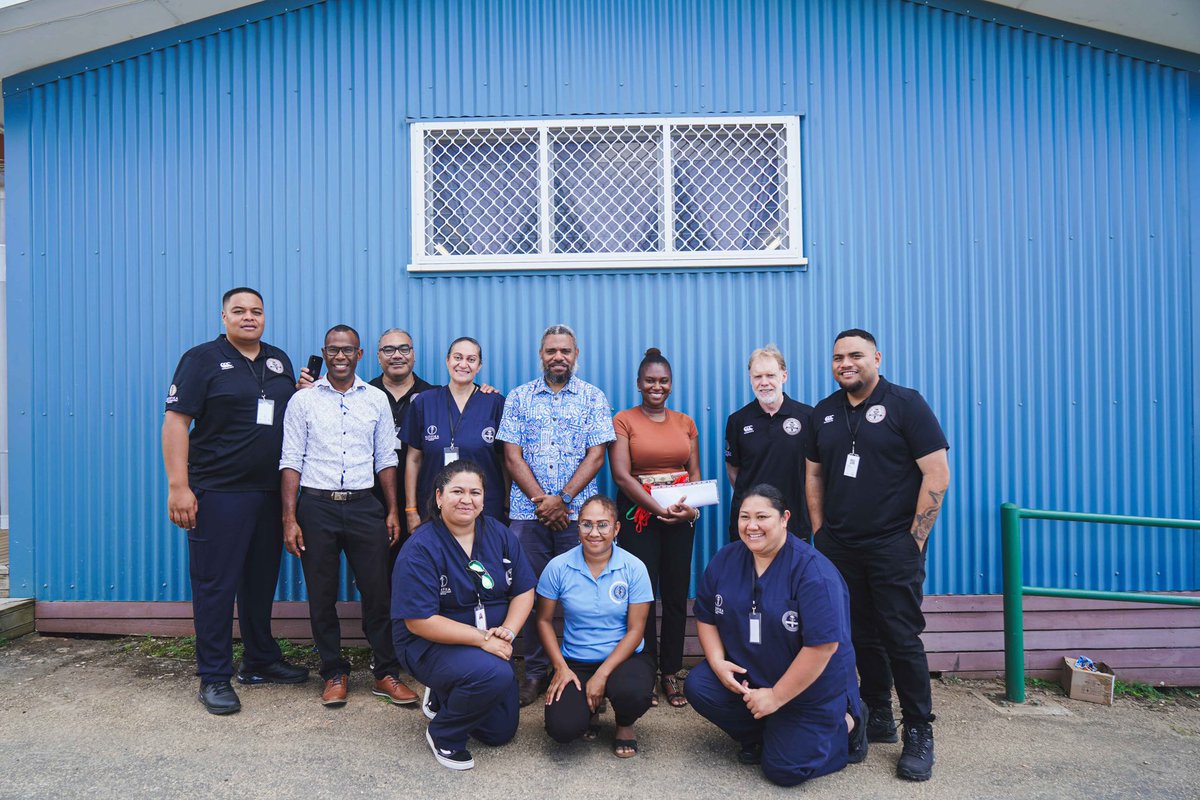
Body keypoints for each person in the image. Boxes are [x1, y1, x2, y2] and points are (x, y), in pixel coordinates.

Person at [805, 328, 950, 782]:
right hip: (840, 547)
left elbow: (937, 473)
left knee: (900, 637)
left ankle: (919, 732)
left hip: (893, 546)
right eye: (837, 357)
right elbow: (814, 478)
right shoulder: (824, 413)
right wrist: (820, 534)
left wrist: (915, 540)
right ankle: (879, 715)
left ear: (877, 358)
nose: (845, 363)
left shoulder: (907, 404)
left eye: (855, 355)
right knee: (858, 634)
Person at [162, 287, 309, 715]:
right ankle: (213, 676)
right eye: (239, 311)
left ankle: (260, 659)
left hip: (269, 493)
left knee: (259, 582)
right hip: (218, 492)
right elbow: (176, 423)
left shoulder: (278, 360)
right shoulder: (201, 359)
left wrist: (302, 390)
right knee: (215, 587)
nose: (249, 317)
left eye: (257, 311)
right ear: (223, 317)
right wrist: (178, 485)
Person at [684, 486, 867, 787]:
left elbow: (823, 647)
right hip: (754, 675)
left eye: (762, 516)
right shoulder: (726, 559)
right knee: (700, 684)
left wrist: (777, 696)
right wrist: (717, 662)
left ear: (784, 519)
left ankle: (847, 724)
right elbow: (706, 617)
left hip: (809, 689)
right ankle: (769, 734)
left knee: (784, 770)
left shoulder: (813, 572)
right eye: (745, 517)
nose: (751, 526)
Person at [279, 324, 417, 707]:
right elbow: (290, 461)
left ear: (359, 355)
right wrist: (289, 518)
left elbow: (387, 458)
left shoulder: (375, 399)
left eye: (348, 350)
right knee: (321, 595)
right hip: (316, 506)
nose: (340, 356)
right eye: (333, 350)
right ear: (324, 353)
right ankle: (333, 672)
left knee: (378, 592)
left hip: (363, 505)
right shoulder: (303, 402)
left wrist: (392, 510)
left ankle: (385, 672)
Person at [496, 323, 616, 706]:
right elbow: (511, 455)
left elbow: (597, 455)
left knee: (584, 592)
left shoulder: (594, 398)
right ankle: (533, 672)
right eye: (551, 351)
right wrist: (541, 501)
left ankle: (583, 666)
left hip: (581, 516)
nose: (558, 357)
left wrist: (563, 499)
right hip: (527, 514)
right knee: (527, 594)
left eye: (565, 351)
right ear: (541, 355)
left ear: (575, 355)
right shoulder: (518, 398)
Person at [391, 461, 536, 771]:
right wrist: (483, 639)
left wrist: (508, 631)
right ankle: (444, 733)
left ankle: (446, 693)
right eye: (457, 491)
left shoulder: (499, 534)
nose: (466, 499)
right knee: (496, 675)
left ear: (484, 498)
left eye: (475, 492)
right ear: (440, 496)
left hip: (487, 643)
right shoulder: (421, 547)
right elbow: (419, 621)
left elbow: (524, 589)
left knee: (499, 732)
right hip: (428, 644)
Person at [609, 348, 700, 708]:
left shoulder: (685, 422)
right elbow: (621, 475)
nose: (656, 386)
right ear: (638, 383)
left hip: (680, 517)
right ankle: (644, 671)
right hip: (639, 518)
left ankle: (670, 673)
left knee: (676, 594)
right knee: (642, 596)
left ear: (671, 384)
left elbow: (693, 471)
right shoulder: (624, 420)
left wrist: (685, 509)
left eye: (663, 380)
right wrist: (657, 507)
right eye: (650, 380)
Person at [537, 495, 657, 757]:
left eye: (602, 525)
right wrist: (560, 667)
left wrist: (601, 675)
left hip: (624, 658)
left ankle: (624, 723)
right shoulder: (558, 567)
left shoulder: (634, 568)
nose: (594, 533)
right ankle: (590, 710)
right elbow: (544, 620)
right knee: (562, 729)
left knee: (633, 693)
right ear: (577, 527)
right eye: (586, 524)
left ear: (615, 529)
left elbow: (637, 630)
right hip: (576, 660)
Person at [402, 337, 507, 530]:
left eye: (471, 359)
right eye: (457, 357)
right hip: (433, 509)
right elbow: (413, 459)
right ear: (447, 361)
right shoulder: (424, 403)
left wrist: (507, 506)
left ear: (479, 366)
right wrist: (411, 510)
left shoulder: (495, 403)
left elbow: (505, 461)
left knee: (481, 560)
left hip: (485, 510)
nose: (463, 364)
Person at [724, 346, 813, 540]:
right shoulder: (737, 421)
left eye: (770, 375)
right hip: (750, 524)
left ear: (784, 376)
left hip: (794, 522)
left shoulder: (807, 417)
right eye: (757, 377)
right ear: (750, 379)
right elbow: (733, 470)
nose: (764, 383)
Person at [367, 329, 435, 565]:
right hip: (372, 500)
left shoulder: (432, 396)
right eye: (389, 349)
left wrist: (482, 390)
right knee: (377, 573)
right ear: (378, 356)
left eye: (403, 349)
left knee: (421, 567)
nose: (397, 355)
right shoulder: (364, 395)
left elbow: (464, 396)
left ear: (413, 355)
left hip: (422, 502)